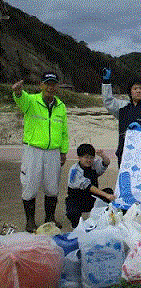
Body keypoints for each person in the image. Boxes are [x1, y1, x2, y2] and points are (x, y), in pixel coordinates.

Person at [12, 72, 69, 233]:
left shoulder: (61, 106)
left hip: (53, 152)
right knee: (30, 185)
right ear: (41, 85)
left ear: (57, 86)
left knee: (52, 187)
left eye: (53, 84)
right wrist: (17, 92)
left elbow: (64, 131)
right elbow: (21, 100)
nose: (50, 87)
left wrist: (63, 152)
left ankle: (49, 217)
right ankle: (30, 221)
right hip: (33, 151)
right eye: (47, 83)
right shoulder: (31, 101)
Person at [101, 68, 141, 167]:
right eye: (135, 89)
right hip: (124, 153)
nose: (138, 91)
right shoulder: (122, 107)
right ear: (130, 92)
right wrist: (106, 82)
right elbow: (108, 102)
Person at [65, 144, 116, 228]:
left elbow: (106, 163)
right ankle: (76, 226)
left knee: (109, 192)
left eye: (91, 157)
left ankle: (101, 221)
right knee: (72, 212)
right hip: (77, 200)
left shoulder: (94, 164)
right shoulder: (74, 170)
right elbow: (89, 187)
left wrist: (103, 155)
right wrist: (107, 195)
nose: (89, 160)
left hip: (91, 198)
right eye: (86, 157)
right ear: (79, 158)